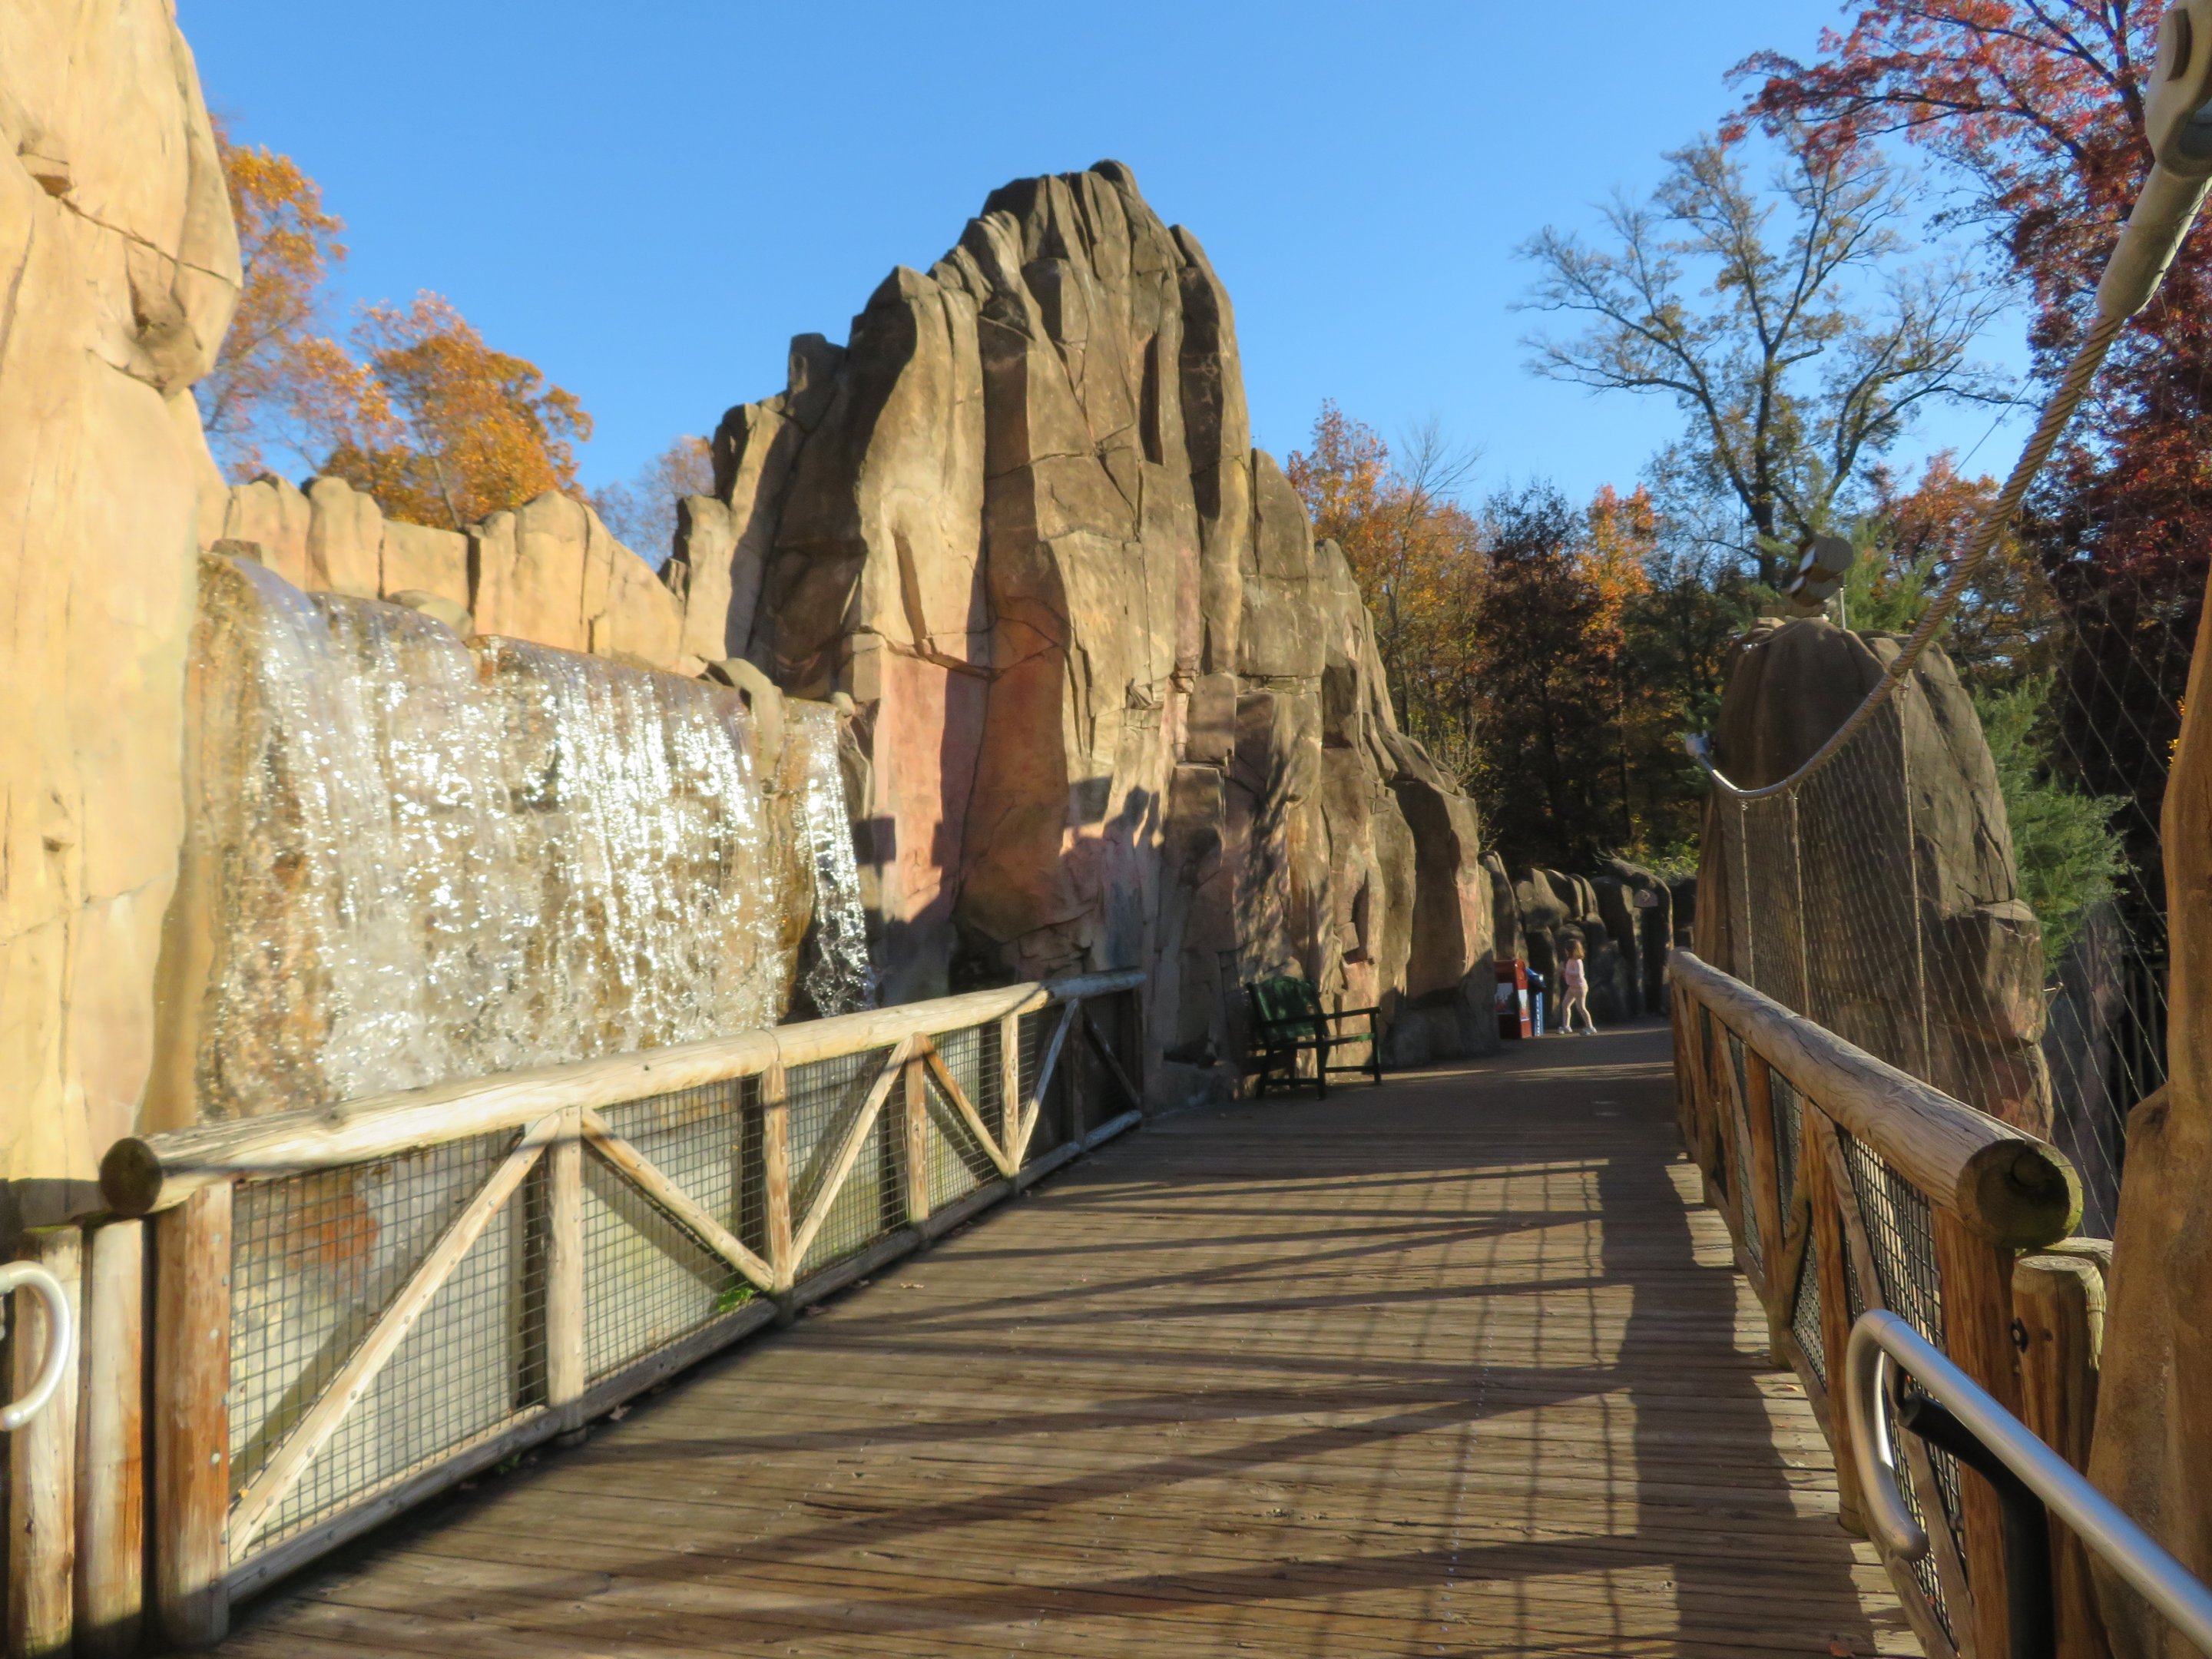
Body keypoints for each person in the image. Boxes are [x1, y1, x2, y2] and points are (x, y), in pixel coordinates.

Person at [1558, 939, 1596, 1035]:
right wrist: (1562, 971)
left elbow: (1578, 974)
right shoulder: (1570, 960)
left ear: (1572, 950)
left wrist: (1565, 970)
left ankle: (1590, 1027)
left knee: (1581, 1007)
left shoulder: (1578, 961)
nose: (1566, 952)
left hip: (1580, 988)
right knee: (1565, 1005)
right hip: (1572, 987)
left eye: (1567, 950)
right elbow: (1569, 975)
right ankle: (1566, 1026)